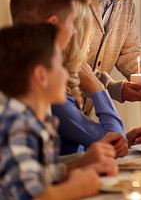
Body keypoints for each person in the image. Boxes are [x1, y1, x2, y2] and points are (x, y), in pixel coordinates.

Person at [9, 0, 125, 167]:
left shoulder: (21, 73)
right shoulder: (46, 87)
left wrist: (123, 141)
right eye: (72, 23)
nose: (74, 32)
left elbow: (46, 167)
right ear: (53, 25)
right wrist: (98, 88)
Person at [0, 24, 101, 199]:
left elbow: (38, 175)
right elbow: (33, 196)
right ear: (41, 76)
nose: (67, 74)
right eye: (61, 66)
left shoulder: (34, 122)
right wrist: (79, 187)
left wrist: (79, 166)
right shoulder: (16, 126)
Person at [52, 0, 141, 155]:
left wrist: (124, 141)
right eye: (89, 40)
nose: (90, 47)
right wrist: (97, 87)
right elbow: (113, 139)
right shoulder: (57, 101)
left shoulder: (62, 92)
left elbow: (83, 143)